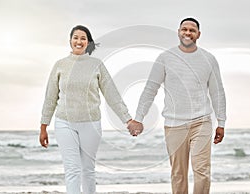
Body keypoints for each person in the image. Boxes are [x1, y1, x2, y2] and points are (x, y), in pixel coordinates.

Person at [127, 17, 226, 194]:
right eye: (184, 29)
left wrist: (221, 122)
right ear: (179, 32)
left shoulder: (209, 59)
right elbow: (151, 89)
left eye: (192, 30)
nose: (188, 33)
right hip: (174, 125)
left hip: (201, 122)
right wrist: (139, 118)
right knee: (178, 174)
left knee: (202, 171)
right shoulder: (165, 58)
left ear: (198, 34)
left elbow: (217, 92)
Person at [39, 25, 132, 194]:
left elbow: (111, 94)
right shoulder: (60, 65)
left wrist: (127, 119)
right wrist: (43, 126)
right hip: (64, 123)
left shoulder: (96, 65)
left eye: (83, 38)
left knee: (88, 169)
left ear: (88, 42)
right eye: (76, 37)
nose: (79, 41)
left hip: (91, 123)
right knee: (72, 169)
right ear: (70, 41)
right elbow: (50, 97)